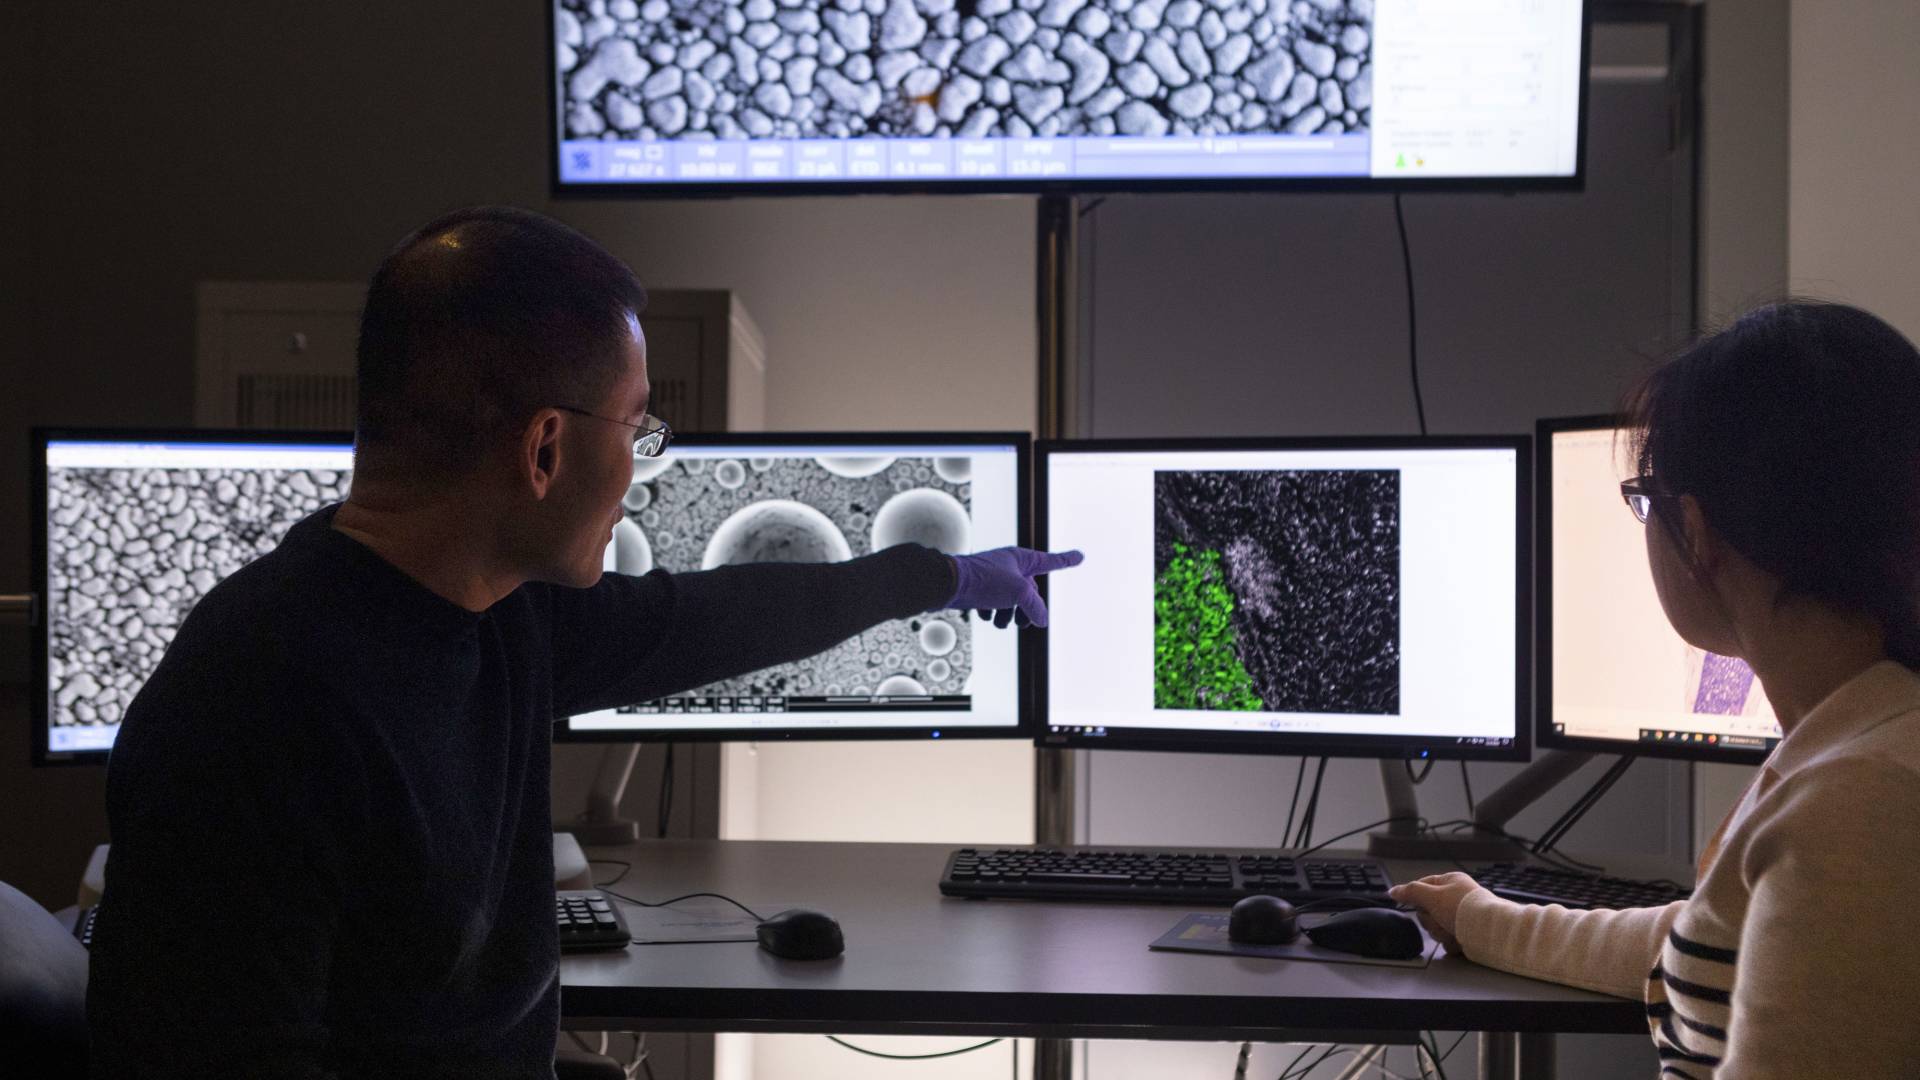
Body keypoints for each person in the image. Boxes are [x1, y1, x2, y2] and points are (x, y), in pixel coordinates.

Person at [85, 206, 1082, 1079]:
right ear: (547, 450)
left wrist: (948, 576)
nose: (641, 469)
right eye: (640, 432)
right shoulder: (258, 701)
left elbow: (718, 615)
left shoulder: (497, 611)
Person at [1391, 300, 1920, 1077]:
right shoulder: (1862, 743)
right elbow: (1713, 938)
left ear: (1697, 532)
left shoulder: (1858, 806)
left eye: (1644, 498)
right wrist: (1484, 918)